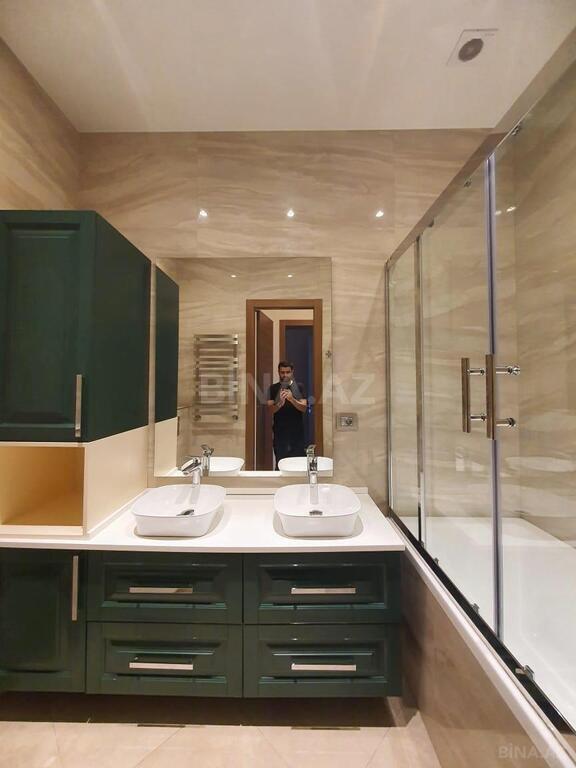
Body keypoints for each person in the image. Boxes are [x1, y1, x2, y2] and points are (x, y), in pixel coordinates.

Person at [267, 361, 307, 469]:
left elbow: (304, 408)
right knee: (281, 465)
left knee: (299, 466)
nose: (285, 375)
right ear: (278, 372)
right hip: (280, 434)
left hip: (297, 434)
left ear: (292, 372)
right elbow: (270, 410)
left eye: (288, 372)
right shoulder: (273, 388)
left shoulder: (299, 387)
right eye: (282, 372)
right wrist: (279, 403)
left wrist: (292, 399)